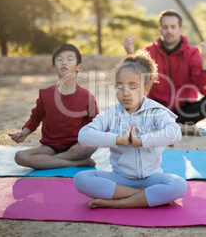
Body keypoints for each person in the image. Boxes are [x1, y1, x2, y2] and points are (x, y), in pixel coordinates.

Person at [73, 50, 187, 209]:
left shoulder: (156, 111)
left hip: (151, 178)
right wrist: (118, 140)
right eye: (120, 87)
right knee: (80, 179)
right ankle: (143, 196)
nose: (125, 93)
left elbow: (175, 133)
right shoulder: (111, 113)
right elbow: (84, 136)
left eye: (133, 87)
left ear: (146, 88)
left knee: (179, 185)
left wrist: (141, 141)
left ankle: (119, 202)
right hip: (120, 178)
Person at [123, 9, 206, 135]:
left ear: (181, 29)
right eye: (165, 27)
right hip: (157, 110)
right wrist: (130, 55)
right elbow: (135, 82)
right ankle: (178, 127)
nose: (169, 31)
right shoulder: (149, 52)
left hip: (184, 111)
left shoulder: (192, 53)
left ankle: (169, 126)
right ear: (160, 30)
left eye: (173, 27)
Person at [8, 44, 98, 169]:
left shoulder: (88, 97)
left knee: (92, 144)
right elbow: (36, 117)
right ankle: (75, 163)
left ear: (79, 67)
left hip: (76, 146)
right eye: (59, 60)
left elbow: (95, 125)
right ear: (53, 67)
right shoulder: (45, 94)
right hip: (50, 147)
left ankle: (47, 162)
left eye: (69, 59)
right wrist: (24, 133)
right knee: (20, 156)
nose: (64, 62)